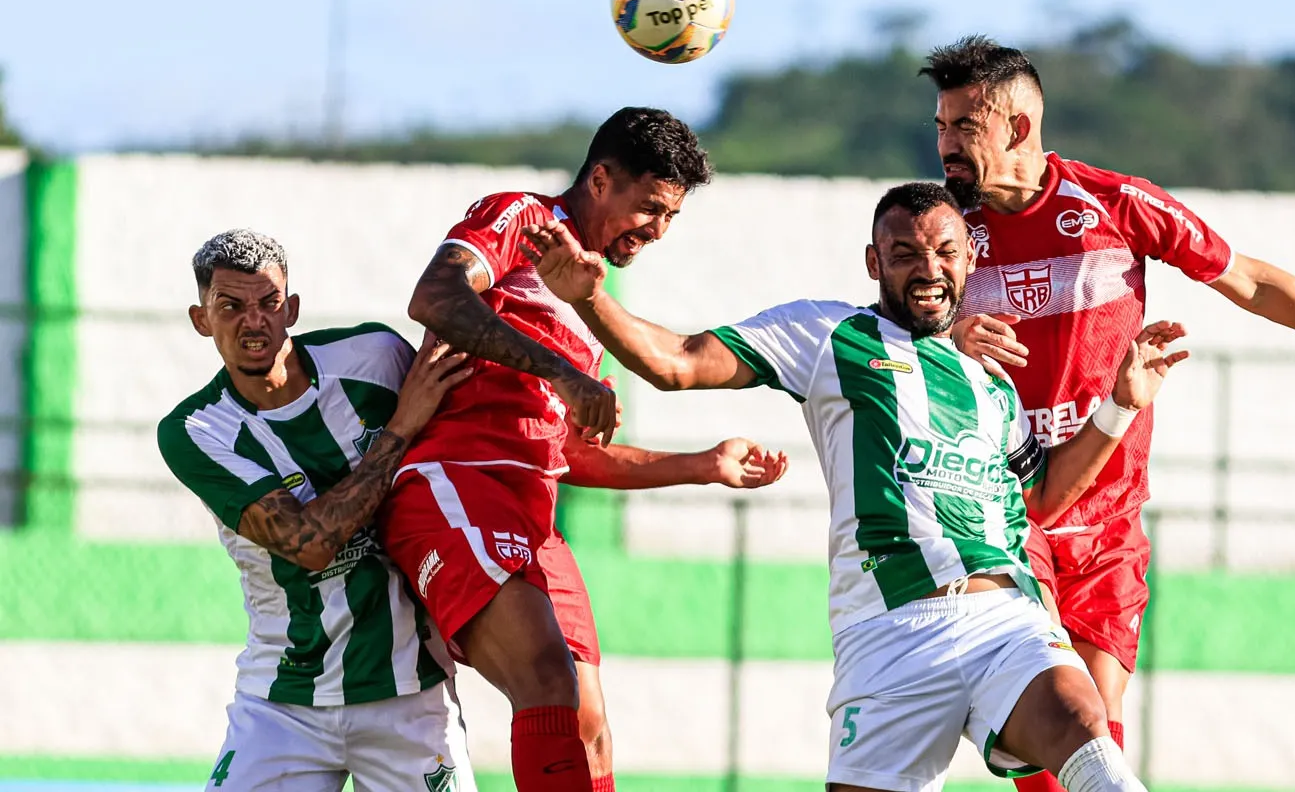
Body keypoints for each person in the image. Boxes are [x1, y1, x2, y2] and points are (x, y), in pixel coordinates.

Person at [519, 181, 1190, 792]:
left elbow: (1043, 498)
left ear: (969, 262)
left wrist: (1121, 405)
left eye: (946, 253)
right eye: (904, 254)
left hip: (1005, 622)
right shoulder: (828, 334)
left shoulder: (991, 382)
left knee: (1081, 719)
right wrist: (590, 298)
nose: (928, 269)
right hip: (890, 633)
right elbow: (677, 363)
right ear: (874, 264)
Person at [923, 36, 1295, 790]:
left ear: (1017, 127)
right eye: (941, 127)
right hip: (1010, 516)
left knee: (1094, 738)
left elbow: (1250, 282)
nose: (945, 145)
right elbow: (878, 335)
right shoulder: (944, 234)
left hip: (1110, 524)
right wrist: (942, 335)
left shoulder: (1114, 204)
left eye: (963, 129)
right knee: (1067, 718)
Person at [379, 107, 788, 792]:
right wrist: (562, 373)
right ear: (600, 179)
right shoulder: (522, 219)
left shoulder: (591, 301)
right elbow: (435, 293)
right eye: (650, 208)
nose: (658, 231)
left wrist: (701, 466)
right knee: (546, 678)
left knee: (589, 723)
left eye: (672, 217)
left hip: (533, 519)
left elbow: (574, 456)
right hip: (455, 485)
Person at [158, 229, 478, 792]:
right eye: (230, 306)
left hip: (411, 694)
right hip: (283, 704)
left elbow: (477, 431)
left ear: (293, 309)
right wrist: (402, 426)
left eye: (269, 303)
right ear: (201, 318)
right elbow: (309, 544)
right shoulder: (198, 430)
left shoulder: (375, 358)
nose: (253, 321)